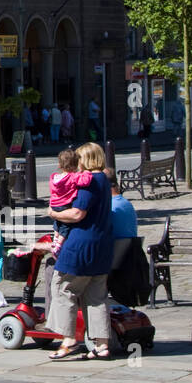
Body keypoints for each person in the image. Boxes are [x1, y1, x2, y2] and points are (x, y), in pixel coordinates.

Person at [45, 141, 114, 361]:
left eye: (79, 159)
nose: (76, 163)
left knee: (62, 287)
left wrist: (53, 214)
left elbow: (77, 214)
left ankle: (69, 340)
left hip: (80, 245)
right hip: (102, 245)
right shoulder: (104, 179)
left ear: (86, 160)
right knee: (96, 296)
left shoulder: (89, 181)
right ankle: (102, 345)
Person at [48, 149, 91, 254]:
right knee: (65, 225)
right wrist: (86, 173)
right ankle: (59, 245)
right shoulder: (73, 177)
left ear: (60, 165)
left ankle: (55, 239)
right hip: (65, 205)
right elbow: (85, 181)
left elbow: (52, 190)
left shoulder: (54, 177)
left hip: (54, 204)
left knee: (57, 222)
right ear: (76, 165)